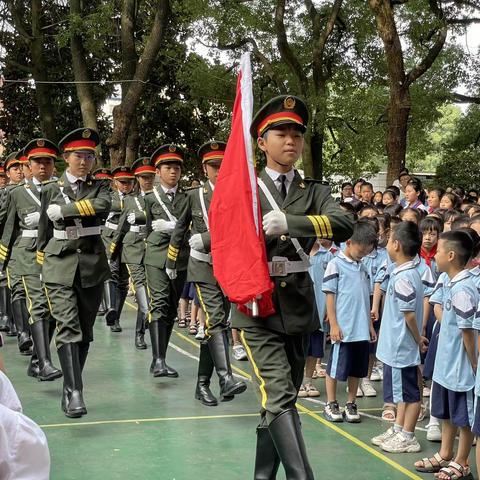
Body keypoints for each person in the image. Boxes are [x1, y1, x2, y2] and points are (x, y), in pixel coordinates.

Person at [230, 95, 353, 479]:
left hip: (298, 308)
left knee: (277, 401)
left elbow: (345, 225)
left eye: (296, 134)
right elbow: (226, 242)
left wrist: (292, 223)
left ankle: (262, 476)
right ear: (261, 142)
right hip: (257, 306)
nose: (290, 141)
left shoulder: (314, 190)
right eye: (281, 133)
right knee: (281, 393)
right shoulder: (245, 188)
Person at [37, 128, 111, 418]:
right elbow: (44, 233)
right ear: (66, 157)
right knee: (68, 327)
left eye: (89, 156)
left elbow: (105, 205)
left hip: (91, 265)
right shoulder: (49, 189)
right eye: (79, 155)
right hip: (59, 264)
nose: (84, 161)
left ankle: (70, 386)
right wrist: (42, 265)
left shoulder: (100, 186)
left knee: (85, 332)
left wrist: (66, 210)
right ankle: (75, 392)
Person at [166, 140, 247, 406]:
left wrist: (209, 238)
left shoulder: (238, 195)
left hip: (229, 267)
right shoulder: (194, 196)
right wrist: (171, 260)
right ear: (204, 168)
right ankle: (226, 378)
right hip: (203, 267)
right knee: (216, 322)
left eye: (222, 165)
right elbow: (180, 229)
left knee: (216, 326)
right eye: (213, 166)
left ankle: (202, 384)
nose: (218, 170)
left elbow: (238, 230)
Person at [414, 230, 478, 478]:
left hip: (461, 365)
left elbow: (468, 332)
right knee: (447, 412)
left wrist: (474, 362)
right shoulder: (450, 283)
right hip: (446, 362)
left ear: (451, 255)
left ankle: (462, 460)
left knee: (463, 415)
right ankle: (445, 453)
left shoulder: (464, 288)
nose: (435, 255)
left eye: (439, 251)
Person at [0, 139, 63, 381]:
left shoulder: (59, 190)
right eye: (38, 161)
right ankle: (45, 363)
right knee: (38, 304)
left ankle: (37, 361)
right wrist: (3, 260)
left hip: (54, 253)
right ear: (29, 164)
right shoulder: (17, 193)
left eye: (48, 161)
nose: (43, 166)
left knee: (54, 309)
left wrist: (48, 218)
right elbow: (5, 225)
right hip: (25, 255)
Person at [371, 221, 427, 453]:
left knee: (411, 394)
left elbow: (409, 315)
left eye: (389, 238)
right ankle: (397, 428)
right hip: (395, 344)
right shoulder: (401, 271)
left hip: (402, 345)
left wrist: (417, 338)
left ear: (396, 244)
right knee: (401, 392)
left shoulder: (404, 276)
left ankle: (408, 435)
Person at [323, 220, 378, 423]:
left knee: (357, 369)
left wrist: (370, 325)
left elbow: (366, 299)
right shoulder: (335, 264)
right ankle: (331, 402)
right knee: (335, 367)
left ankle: (351, 402)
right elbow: (330, 296)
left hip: (361, 330)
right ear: (348, 242)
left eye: (366, 252)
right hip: (344, 329)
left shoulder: (363, 268)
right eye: (360, 251)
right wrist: (334, 325)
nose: (362, 255)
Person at [144, 144, 189, 378]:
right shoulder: (151, 198)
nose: (173, 172)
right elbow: (146, 228)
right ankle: (158, 359)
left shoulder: (188, 197)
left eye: (177, 168)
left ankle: (161, 357)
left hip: (180, 258)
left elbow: (193, 226)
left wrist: (172, 226)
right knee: (159, 303)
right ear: (158, 171)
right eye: (168, 167)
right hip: (157, 256)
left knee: (171, 307)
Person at [112, 157, 155, 349]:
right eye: (143, 177)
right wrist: (112, 250)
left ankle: (146, 327)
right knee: (140, 287)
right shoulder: (130, 200)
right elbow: (121, 227)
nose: (147, 180)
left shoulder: (158, 198)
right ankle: (140, 334)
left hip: (153, 248)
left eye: (150, 177)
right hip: (132, 247)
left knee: (152, 291)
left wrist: (141, 216)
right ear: (137, 178)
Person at [1, 151, 31, 352]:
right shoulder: (8, 193)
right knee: (17, 287)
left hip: (37, 249)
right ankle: (23, 333)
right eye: (15, 168)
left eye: (22, 167)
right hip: (13, 248)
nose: (20, 171)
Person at [101, 166, 135, 332]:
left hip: (127, 241)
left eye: (128, 182)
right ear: (115, 182)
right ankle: (110, 310)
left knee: (123, 281)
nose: (125, 185)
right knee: (111, 274)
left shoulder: (136, 199)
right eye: (122, 182)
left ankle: (116, 315)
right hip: (109, 238)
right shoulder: (108, 196)